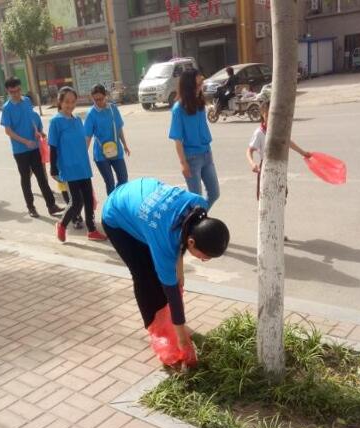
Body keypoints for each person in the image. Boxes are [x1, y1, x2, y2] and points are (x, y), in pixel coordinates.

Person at [102, 178, 229, 366]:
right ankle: (158, 331)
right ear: (192, 242)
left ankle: (169, 324)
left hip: (144, 210)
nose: (204, 260)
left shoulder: (199, 207)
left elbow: (181, 236)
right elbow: (173, 296)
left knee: (163, 273)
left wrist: (180, 272)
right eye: (205, 257)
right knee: (144, 275)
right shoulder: (165, 241)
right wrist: (183, 341)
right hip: (118, 218)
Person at [49, 86, 107, 243]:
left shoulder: (77, 120)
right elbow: (53, 146)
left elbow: (82, 142)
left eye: (73, 101)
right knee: (76, 202)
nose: (70, 105)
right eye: (67, 101)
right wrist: (53, 168)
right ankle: (62, 225)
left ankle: (92, 230)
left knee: (88, 199)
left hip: (83, 165)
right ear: (60, 102)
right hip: (68, 167)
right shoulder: (55, 122)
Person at [1, 77, 64, 218]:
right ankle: (31, 207)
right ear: (7, 91)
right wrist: (24, 141)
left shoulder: (27, 101)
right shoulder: (7, 108)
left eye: (18, 90)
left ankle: (51, 206)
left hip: (34, 147)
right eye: (12, 92)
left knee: (41, 177)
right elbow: (8, 131)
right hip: (20, 150)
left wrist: (38, 131)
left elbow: (31, 119)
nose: (16, 94)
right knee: (26, 179)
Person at [169, 69, 220, 209]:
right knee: (196, 199)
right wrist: (183, 163)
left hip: (206, 154)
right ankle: (195, 219)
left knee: (214, 193)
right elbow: (177, 140)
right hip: (191, 159)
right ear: (188, 86)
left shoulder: (199, 103)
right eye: (197, 85)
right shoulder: (178, 109)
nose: (200, 87)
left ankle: (197, 217)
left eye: (201, 83)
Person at [246, 94, 311, 201]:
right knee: (266, 198)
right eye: (267, 116)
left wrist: (303, 153)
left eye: (273, 116)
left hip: (279, 166)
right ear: (262, 114)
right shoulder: (259, 133)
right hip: (266, 168)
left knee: (281, 197)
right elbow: (249, 150)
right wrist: (252, 164)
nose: (270, 119)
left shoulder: (278, 129)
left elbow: (287, 142)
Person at [84, 83, 130, 195]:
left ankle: (117, 199)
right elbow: (88, 136)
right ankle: (112, 203)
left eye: (100, 99)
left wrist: (125, 145)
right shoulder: (91, 114)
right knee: (110, 182)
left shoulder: (113, 109)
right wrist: (83, 155)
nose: (98, 102)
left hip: (116, 151)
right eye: (95, 100)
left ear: (106, 96)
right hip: (101, 155)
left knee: (123, 178)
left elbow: (119, 128)